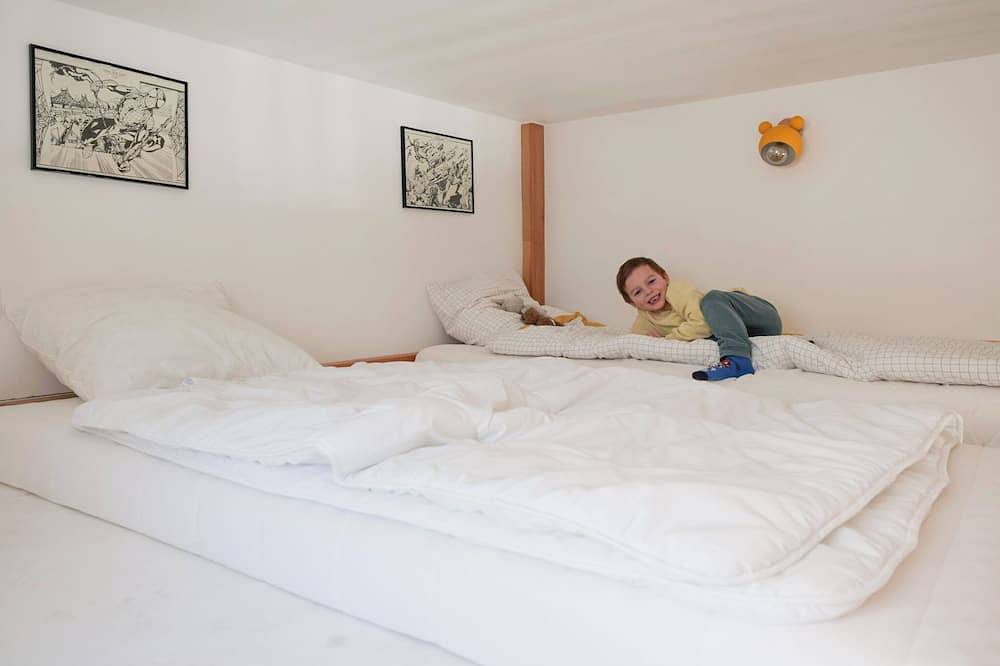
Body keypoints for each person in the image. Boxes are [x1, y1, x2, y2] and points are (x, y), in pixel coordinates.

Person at [615, 257, 782, 381]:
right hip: (746, 333)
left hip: (759, 317)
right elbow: (634, 343)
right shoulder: (645, 319)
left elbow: (702, 324)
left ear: (665, 278)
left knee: (712, 298)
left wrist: (668, 339)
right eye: (638, 292)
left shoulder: (676, 291)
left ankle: (738, 362)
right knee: (712, 336)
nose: (648, 291)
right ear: (631, 302)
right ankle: (736, 355)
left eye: (651, 281)